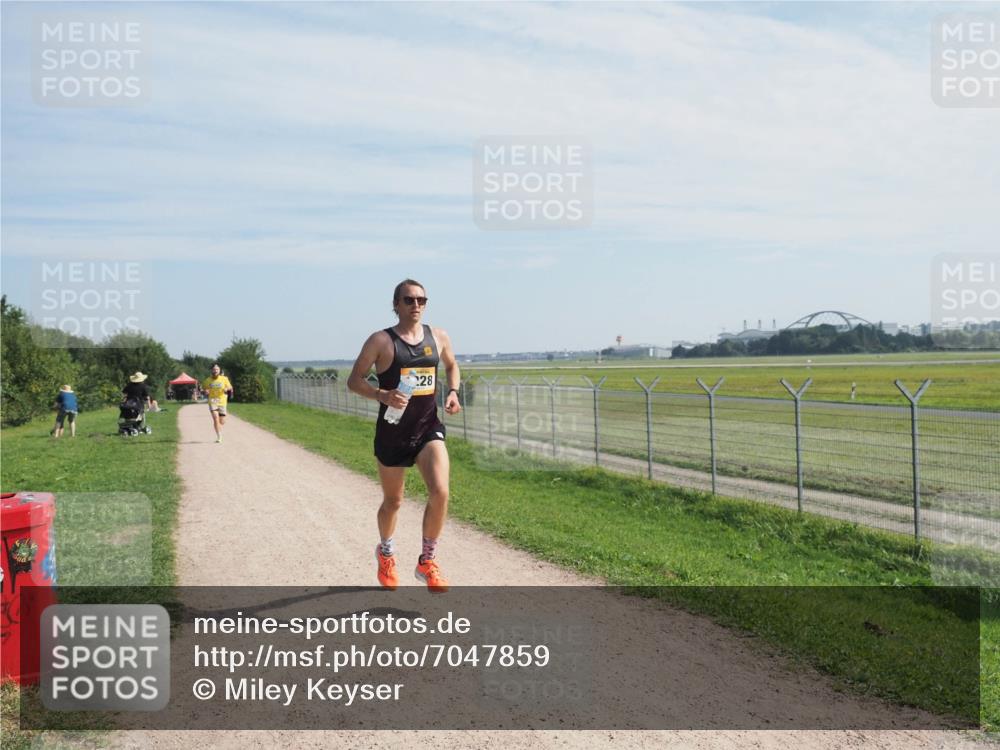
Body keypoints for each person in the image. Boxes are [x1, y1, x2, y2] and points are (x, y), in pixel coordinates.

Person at [347, 279, 461, 593]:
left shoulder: (438, 337)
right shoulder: (381, 341)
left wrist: (453, 392)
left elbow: (452, 365)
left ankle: (427, 560)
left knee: (441, 491)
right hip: (392, 432)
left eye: (422, 300)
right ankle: (385, 553)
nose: (416, 306)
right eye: (409, 300)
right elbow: (354, 381)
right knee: (393, 501)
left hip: (427, 428)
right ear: (396, 304)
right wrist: (382, 395)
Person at [202, 363, 234, 443]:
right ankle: (219, 436)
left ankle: (220, 425)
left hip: (222, 401)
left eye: (217, 369)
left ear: (219, 370)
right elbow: (204, 390)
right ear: (211, 370)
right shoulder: (207, 380)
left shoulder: (224, 379)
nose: (215, 371)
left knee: (222, 422)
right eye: (214, 369)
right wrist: (205, 391)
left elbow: (230, 387)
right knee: (215, 418)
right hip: (212, 401)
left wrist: (227, 388)